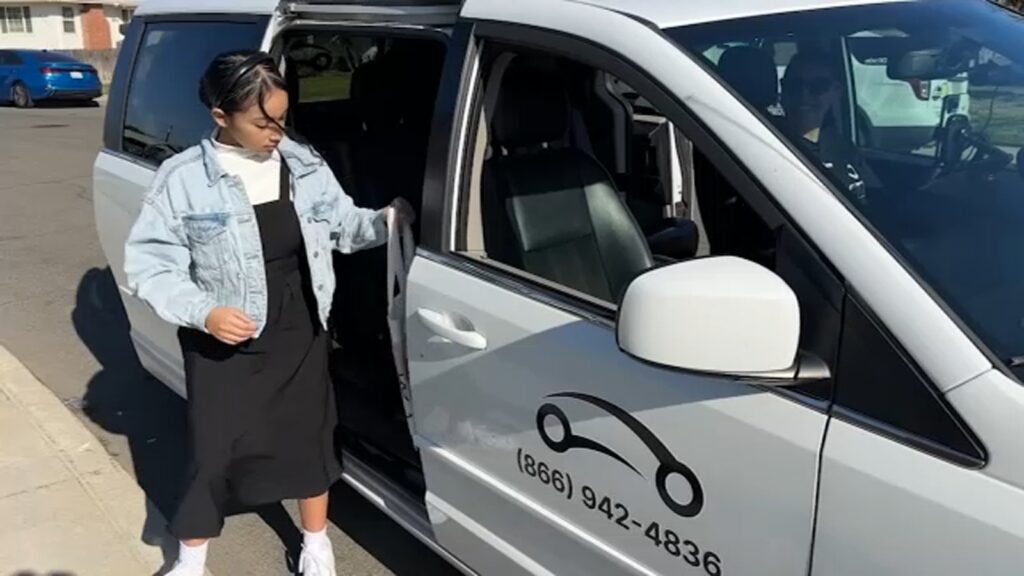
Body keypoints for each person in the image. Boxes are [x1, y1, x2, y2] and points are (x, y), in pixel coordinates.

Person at [123, 50, 414, 576]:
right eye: (263, 123)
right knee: (214, 452)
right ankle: (191, 559)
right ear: (221, 116)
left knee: (308, 438)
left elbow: (343, 225)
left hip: (299, 325)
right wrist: (205, 312)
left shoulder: (302, 163)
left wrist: (387, 222)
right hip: (224, 336)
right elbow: (151, 266)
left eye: (282, 117)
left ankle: (316, 543)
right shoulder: (182, 178)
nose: (277, 133)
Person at [780, 49, 879, 204]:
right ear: (782, 87)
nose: (804, 95)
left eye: (818, 86)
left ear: (836, 92)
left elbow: (876, 197)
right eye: (794, 85)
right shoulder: (773, 146)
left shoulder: (840, 144)